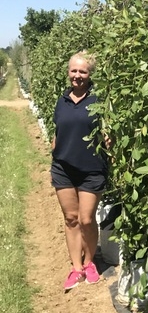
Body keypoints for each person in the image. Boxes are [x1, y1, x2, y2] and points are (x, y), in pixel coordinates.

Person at [51, 52, 108, 291]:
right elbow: (57, 132)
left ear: (89, 74)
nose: (77, 76)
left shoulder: (98, 100)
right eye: (74, 71)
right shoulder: (61, 101)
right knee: (71, 219)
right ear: (68, 73)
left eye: (82, 71)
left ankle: (89, 262)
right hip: (63, 168)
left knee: (86, 219)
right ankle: (76, 268)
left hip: (92, 169)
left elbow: (107, 133)